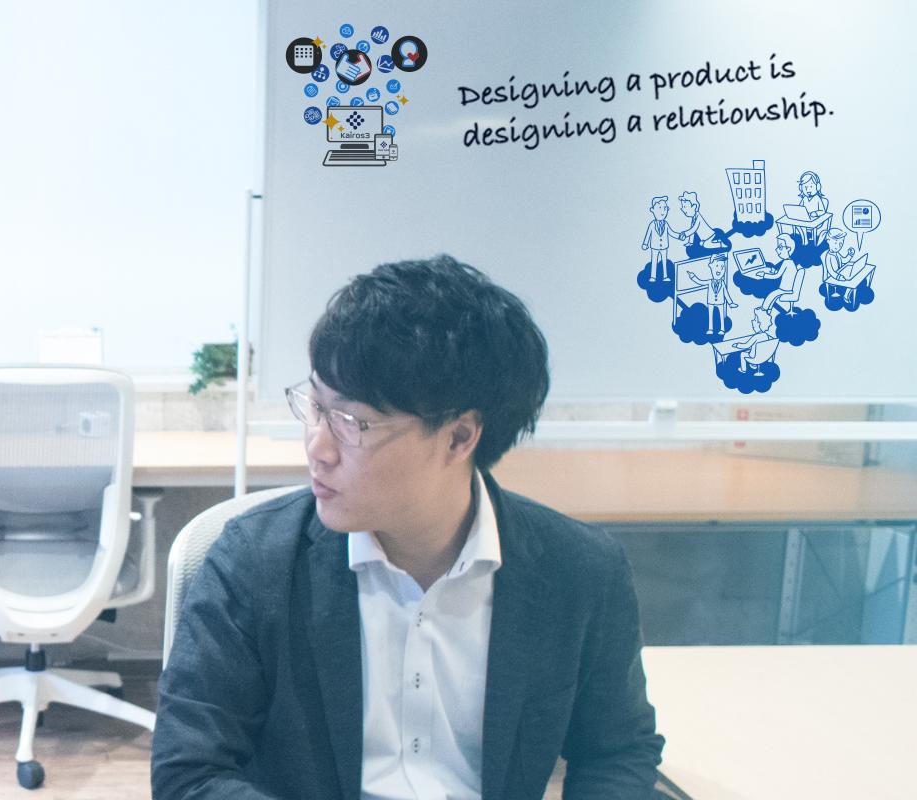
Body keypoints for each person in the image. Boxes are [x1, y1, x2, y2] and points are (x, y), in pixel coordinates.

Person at [153, 256, 663, 800]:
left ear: (459, 438)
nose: (318, 448)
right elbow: (190, 773)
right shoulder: (256, 562)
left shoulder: (579, 572)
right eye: (316, 407)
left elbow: (616, 753)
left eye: (351, 422)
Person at [685, 253, 738, 335]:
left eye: (722, 267)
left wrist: (730, 303)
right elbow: (700, 282)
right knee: (710, 315)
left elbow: (726, 293)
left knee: (721, 315)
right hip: (711, 301)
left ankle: (722, 329)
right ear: (711, 266)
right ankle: (710, 328)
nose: (720, 269)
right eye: (717, 266)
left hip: (720, 301)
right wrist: (693, 277)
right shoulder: (709, 282)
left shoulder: (722, 283)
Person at [639, 195, 673, 281]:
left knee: (664, 261)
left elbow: (671, 232)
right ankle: (653, 276)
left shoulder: (666, 224)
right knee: (654, 261)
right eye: (659, 208)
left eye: (665, 208)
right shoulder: (652, 224)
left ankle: (665, 276)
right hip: (654, 246)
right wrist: (645, 243)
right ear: (652, 210)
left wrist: (679, 236)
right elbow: (648, 234)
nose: (663, 211)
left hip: (664, 246)